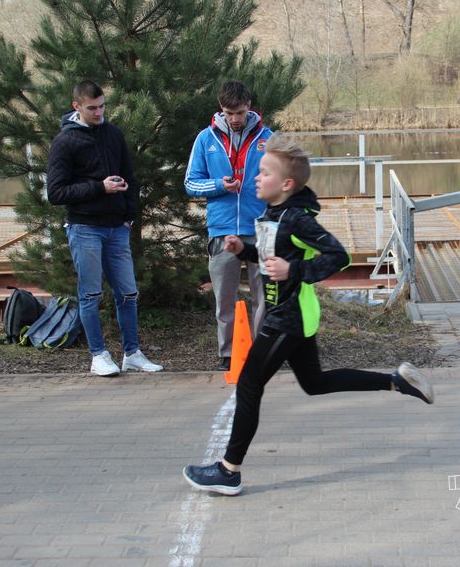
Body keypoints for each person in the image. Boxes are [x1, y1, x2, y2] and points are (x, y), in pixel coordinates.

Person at [182, 134, 435, 496]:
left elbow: (338, 257)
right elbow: (273, 259)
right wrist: (245, 251)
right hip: (289, 315)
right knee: (314, 383)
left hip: (289, 318)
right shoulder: (273, 214)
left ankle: (229, 470)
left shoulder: (297, 219)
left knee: (249, 384)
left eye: (264, 172)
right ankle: (397, 381)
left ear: (285, 184)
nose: (256, 177)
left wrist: (294, 271)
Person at [47, 80, 163, 377]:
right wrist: (99, 187)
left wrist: (128, 215)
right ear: (77, 107)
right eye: (92, 108)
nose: (99, 113)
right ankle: (98, 355)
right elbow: (56, 193)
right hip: (85, 228)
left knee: (128, 293)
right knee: (90, 295)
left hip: (117, 228)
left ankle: (132, 353)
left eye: (102, 106)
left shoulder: (113, 133)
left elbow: (129, 177)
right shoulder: (65, 142)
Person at [185, 81, 270, 371]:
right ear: (221, 110)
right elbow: (190, 182)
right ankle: (229, 352)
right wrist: (218, 186)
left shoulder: (268, 138)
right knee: (225, 298)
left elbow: (284, 182)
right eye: (229, 113)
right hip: (222, 230)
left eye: (240, 112)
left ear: (250, 107)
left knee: (265, 297)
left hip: (260, 229)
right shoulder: (205, 139)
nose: (235, 119)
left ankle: (261, 351)